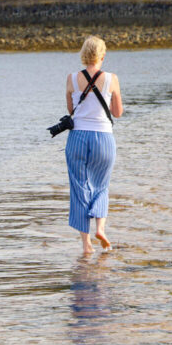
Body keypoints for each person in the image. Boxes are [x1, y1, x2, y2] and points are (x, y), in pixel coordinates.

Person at [65, 35, 124, 256]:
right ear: (103, 55)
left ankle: (86, 244)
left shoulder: (71, 78)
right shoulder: (112, 79)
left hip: (78, 137)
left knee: (79, 187)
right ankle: (100, 228)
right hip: (104, 138)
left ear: (83, 53)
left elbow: (71, 110)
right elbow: (117, 113)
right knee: (101, 185)